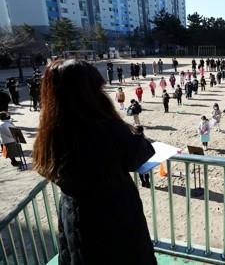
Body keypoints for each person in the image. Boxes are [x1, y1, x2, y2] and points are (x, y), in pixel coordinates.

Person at [32, 60, 156, 265]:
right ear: (87, 93)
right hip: (115, 210)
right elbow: (139, 155)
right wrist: (136, 134)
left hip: (75, 210)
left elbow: (45, 168)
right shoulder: (106, 127)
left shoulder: (50, 130)